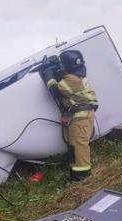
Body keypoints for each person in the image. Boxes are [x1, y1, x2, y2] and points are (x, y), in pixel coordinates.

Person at [40, 50, 98, 182]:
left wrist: (49, 74)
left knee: (79, 145)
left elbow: (55, 89)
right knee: (75, 145)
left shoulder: (71, 80)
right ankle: (75, 172)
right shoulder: (78, 74)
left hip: (81, 116)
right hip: (81, 114)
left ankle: (81, 177)